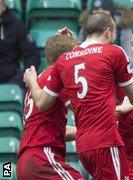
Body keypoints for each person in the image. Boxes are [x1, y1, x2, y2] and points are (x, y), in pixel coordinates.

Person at [23, 11, 133, 179]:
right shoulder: (113, 52)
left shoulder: (63, 63)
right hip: (96, 143)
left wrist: (32, 81)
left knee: (5, 170)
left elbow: (43, 102)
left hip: (73, 148)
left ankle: (4, 172)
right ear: (108, 31)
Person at [17, 35, 83, 179]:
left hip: (25, 162)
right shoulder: (56, 78)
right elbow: (82, 108)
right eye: (76, 54)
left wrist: (83, 131)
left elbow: (49, 130)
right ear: (66, 57)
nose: (79, 60)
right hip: (42, 156)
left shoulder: (40, 82)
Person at [0, 0, 40, 89]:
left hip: (12, 82)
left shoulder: (17, 26)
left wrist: (18, 81)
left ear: (2, 5)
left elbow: (32, 57)